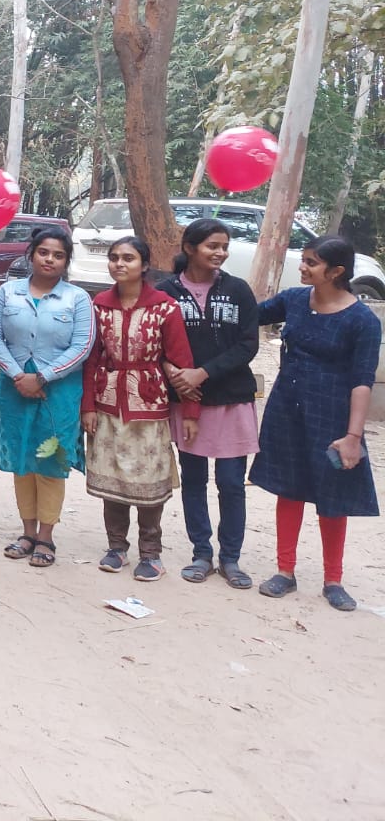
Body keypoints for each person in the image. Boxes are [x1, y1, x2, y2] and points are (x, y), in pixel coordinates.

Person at [251, 235, 381, 612]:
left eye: (311, 262)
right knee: (288, 489)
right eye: (304, 259)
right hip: (286, 410)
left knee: (333, 496)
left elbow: (362, 380)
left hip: (334, 417)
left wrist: (353, 435)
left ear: (336, 271)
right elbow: (249, 316)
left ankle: (333, 580)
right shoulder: (293, 300)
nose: (303, 267)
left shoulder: (362, 321)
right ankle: (285, 571)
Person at [81, 236, 198, 582]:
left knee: (148, 482)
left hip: (149, 405)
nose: (119, 264)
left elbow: (182, 360)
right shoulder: (99, 305)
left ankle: (151, 553)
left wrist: (191, 411)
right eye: (114, 257)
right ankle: (116, 547)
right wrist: (88, 406)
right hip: (106, 404)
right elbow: (91, 359)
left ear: (144, 265)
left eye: (128, 258)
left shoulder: (165, 307)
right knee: (112, 480)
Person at [156, 219, 260, 588]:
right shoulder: (165, 291)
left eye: (224, 246)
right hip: (188, 404)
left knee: (231, 483)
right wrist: (172, 371)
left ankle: (231, 558)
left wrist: (202, 373)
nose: (220, 253)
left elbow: (248, 344)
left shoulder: (238, 289)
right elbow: (154, 340)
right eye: (212, 246)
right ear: (190, 248)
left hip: (231, 401)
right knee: (194, 479)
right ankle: (201, 553)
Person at [0, 226, 95, 568]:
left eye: (58, 255)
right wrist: (18, 375)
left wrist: (43, 376)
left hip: (58, 391)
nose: (50, 259)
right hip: (15, 386)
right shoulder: (8, 292)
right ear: (31, 255)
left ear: (66, 261)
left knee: (50, 459)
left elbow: (83, 346)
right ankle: (27, 533)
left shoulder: (77, 299)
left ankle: (46, 537)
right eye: (43, 252)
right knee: (22, 460)